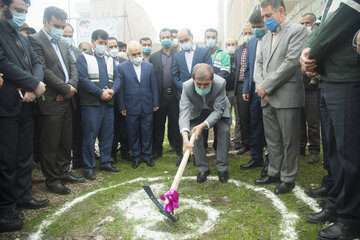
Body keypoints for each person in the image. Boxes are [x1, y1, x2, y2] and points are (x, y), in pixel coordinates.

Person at [301, 1, 360, 239]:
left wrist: (309, 53)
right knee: (334, 150)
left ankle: (351, 220)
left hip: (348, 78)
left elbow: (338, 24)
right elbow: (322, 28)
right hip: (329, 78)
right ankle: (336, 203)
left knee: (350, 154)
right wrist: (306, 54)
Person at [0, 0, 48, 232]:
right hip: (6, 105)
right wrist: (32, 83)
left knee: (23, 156)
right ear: (3, 5)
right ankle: (6, 207)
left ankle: (23, 196)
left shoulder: (21, 36)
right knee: (6, 159)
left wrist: (34, 85)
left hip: (27, 104)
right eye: (19, 10)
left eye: (26, 11)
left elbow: (37, 62)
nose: (23, 14)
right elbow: (3, 63)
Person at [253, 0, 308, 195]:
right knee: (273, 139)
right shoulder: (266, 38)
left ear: (281, 11)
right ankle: (274, 172)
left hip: (287, 96)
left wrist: (266, 87)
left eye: (268, 16)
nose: (265, 20)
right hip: (266, 97)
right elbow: (258, 64)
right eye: (263, 17)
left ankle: (288, 178)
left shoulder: (297, 31)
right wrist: (261, 88)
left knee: (289, 140)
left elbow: (291, 62)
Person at [29, 6, 85, 195]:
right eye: (56, 25)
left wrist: (71, 87)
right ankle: (52, 179)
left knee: (65, 140)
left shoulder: (62, 43)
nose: (60, 30)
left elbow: (72, 66)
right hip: (51, 100)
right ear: (45, 22)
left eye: (62, 26)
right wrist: (64, 88)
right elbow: (43, 69)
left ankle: (63, 171)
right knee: (50, 143)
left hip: (68, 98)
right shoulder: (35, 41)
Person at [76, 30, 121, 180]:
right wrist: (99, 93)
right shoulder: (83, 57)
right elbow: (82, 79)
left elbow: (118, 77)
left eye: (105, 43)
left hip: (108, 103)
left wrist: (113, 90)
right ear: (93, 41)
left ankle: (105, 162)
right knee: (90, 136)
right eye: (100, 43)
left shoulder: (109, 59)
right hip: (91, 104)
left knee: (107, 135)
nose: (103, 46)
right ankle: (88, 167)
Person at [179, 63, 231, 183]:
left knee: (224, 131)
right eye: (199, 84)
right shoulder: (186, 87)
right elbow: (184, 113)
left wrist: (203, 125)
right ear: (193, 80)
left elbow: (218, 111)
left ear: (212, 80)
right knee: (194, 135)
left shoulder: (220, 83)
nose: (202, 88)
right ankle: (203, 169)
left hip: (218, 109)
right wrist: (185, 138)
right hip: (197, 111)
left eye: (206, 84)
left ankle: (222, 168)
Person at [118, 41, 159, 169]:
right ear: (128, 55)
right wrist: (122, 106)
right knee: (132, 132)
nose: (137, 57)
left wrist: (156, 102)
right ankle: (136, 156)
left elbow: (154, 86)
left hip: (147, 105)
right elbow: (121, 89)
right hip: (130, 106)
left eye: (138, 53)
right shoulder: (121, 67)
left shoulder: (149, 66)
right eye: (134, 54)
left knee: (147, 131)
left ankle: (146, 156)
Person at [241, 10, 269, 175]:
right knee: (255, 125)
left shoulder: (271, 39)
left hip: (269, 90)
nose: (256, 30)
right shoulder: (251, 43)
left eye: (259, 26)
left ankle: (270, 162)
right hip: (253, 91)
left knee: (271, 128)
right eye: (253, 27)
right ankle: (256, 157)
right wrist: (246, 88)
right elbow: (248, 68)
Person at [149, 28, 182, 162]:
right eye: (163, 37)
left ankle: (179, 148)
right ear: (160, 39)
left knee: (176, 124)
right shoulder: (153, 57)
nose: (166, 39)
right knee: (159, 125)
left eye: (168, 36)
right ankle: (157, 150)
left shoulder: (179, 55)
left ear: (172, 38)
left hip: (174, 95)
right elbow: (151, 78)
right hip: (160, 96)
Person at [203, 28, 231, 150]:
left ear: (217, 39)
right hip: (203, 95)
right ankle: (202, 145)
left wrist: (210, 81)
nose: (210, 40)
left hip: (218, 94)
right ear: (204, 39)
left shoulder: (223, 54)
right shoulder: (201, 53)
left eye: (213, 37)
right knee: (203, 119)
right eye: (208, 37)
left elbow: (225, 72)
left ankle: (218, 145)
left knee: (219, 120)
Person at [299, 13, 320, 164]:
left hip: (313, 89)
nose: (304, 26)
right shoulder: (299, 42)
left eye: (307, 23)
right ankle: (300, 148)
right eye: (302, 23)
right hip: (298, 88)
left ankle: (314, 151)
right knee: (299, 121)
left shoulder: (318, 41)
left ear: (313, 24)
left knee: (312, 122)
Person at [62, 23, 83, 170]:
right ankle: (62, 165)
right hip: (59, 95)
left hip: (77, 97)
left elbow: (79, 73)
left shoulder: (77, 52)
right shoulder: (54, 49)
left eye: (70, 36)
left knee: (77, 131)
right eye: (65, 36)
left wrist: (73, 87)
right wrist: (64, 88)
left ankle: (77, 161)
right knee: (62, 134)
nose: (68, 38)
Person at [107, 37, 131, 163]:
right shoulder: (105, 62)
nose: (114, 49)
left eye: (115, 46)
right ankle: (112, 154)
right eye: (110, 47)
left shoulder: (124, 61)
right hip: (110, 100)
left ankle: (125, 152)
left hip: (125, 100)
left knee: (125, 128)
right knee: (113, 129)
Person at [172, 28, 212, 99]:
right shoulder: (177, 56)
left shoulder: (204, 52)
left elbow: (210, 72)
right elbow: (175, 75)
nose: (184, 43)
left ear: (191, 37)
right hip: (184, 94)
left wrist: (199, 86)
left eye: (186, 40)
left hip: (201, 93)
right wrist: (184, 86)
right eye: (181, 41)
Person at [234, 25, 252, 155]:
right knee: (243, 117)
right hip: (240, 85)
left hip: (254, 84)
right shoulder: (238, 50)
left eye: (250, 32)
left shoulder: (257, 46)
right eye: (245, 33)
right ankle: (246, 144)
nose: (248, 35)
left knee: (255, 116)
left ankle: (258, 143)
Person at [225, 38, 241, 150]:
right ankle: (225, 141)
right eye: (229, 44)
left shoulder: (240, 58)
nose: (231, 46)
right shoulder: (224, 58)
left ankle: (238, 140)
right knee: (226, 118)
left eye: (233, 44)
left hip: (237, 92)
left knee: (239, 117)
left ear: (237, 45)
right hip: (225, 92)